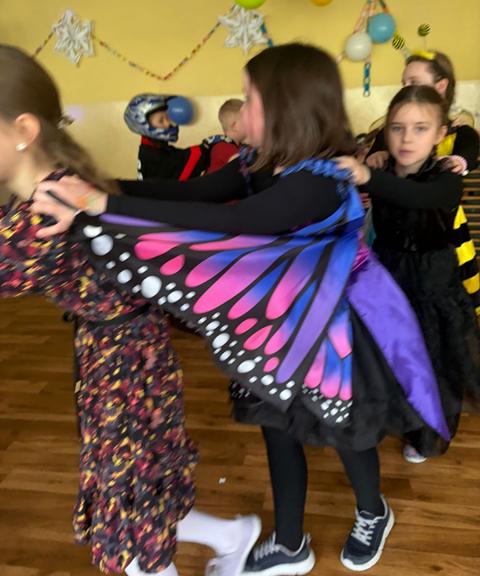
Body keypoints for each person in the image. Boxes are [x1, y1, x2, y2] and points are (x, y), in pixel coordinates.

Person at [33, 43, 449, 575]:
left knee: (345, 431)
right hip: (281, 323)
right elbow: (197, 195)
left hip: (334, 330)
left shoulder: (321, 180)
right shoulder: (258, 161)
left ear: (283, 109)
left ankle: (373, 510)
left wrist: (103, 205)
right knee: (277, 425)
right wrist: (101, 187)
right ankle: (291, 541)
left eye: (249, 98)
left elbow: (238, 222)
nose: (240, 108)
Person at [0, 45, 261, 576]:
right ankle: (234, 536)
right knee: (142, 486)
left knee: (131, 507)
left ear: (24, 129)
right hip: (131, 352)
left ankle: (220, 541)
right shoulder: (64, 181)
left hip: (121, 365)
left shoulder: (41, 215)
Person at [338, 84, 480, 464]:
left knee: (432, 360)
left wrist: (368, 176)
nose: (406, 138)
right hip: (388, 275)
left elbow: (419, 197)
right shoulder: (380, 165)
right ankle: (393, 415)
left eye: (420, 129)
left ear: (439, 134)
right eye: (397, 128)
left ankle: (426, 433)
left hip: (432, 281)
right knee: (390, 352)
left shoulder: (446, 178)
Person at [366, 50, 480, 314]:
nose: (407, 138)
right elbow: (373, 159)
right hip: (392, 231)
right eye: (403, 83)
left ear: (441, 86)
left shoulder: (460, 134)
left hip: (439, 228)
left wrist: (456, 162)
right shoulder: (388, 134)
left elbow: (465, 157)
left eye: (414, 82)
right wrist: (375, 157)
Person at [125, 93, 240, 180]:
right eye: (161, 120)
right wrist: (206, 146)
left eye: (167, 117)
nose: (168, 123)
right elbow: (181, 164)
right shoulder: (151, 156)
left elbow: (177, 157)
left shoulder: (154, 148)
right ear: (144, 126)